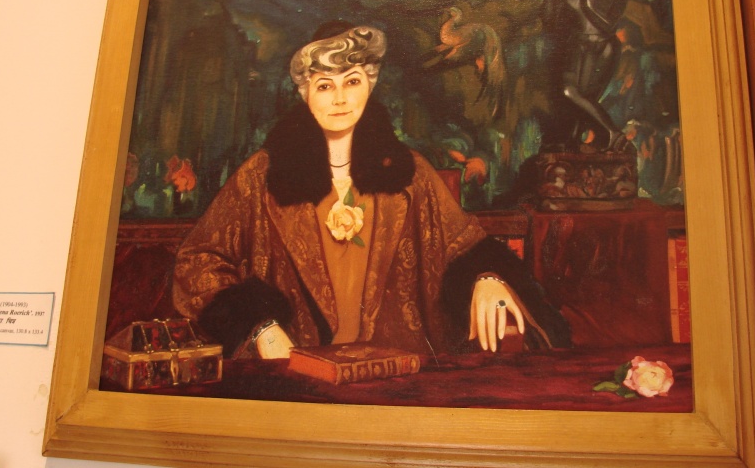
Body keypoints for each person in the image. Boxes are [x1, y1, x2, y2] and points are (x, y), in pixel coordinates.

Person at [173, 22, 569, 359]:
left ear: (370, 85)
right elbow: (198, 262)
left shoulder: (410, 174)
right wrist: (258, 325)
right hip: (298, 372)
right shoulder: (261, 175)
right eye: (325, 85)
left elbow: (465, 247)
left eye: (352, 81)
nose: (340, 98)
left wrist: (488, 277)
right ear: (305, 93)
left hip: (398, 372)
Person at [541, 0, 628, 152]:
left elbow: (608, 26)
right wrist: (550, 2)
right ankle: (573, 140)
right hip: (576, 46)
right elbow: (551, 25)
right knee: (572, 94)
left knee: (581, 95)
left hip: (603, 47)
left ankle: (611, 133)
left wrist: (586, 5)